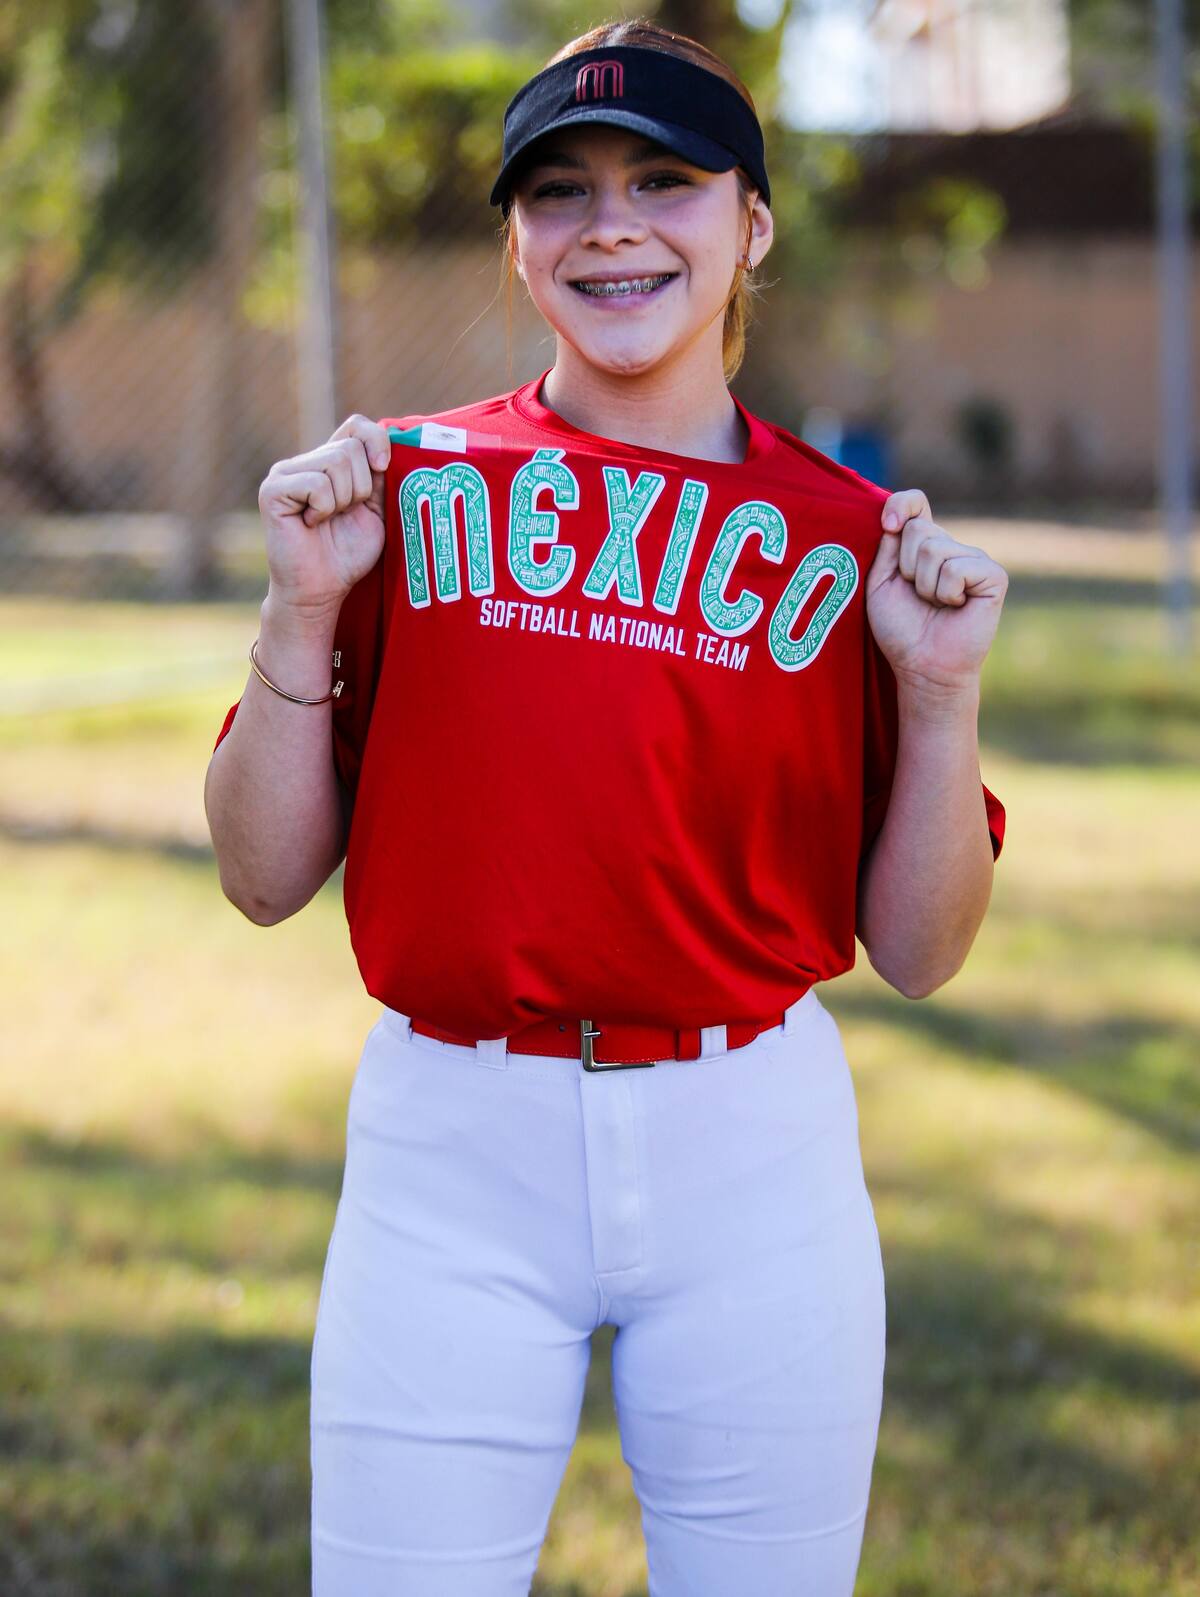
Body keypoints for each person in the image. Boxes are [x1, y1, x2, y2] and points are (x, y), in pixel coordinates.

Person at [204, 18, 1008, 1597]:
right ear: (515, 241)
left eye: (665, 180)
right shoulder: (405, 491)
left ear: (751, 224)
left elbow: (919, 948)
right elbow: (258, 872)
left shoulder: (846, 536)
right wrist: (302, 611)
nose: (613, 223)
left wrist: (935, 690)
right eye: (560, 190)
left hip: (750, 1141)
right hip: (453, 1137)